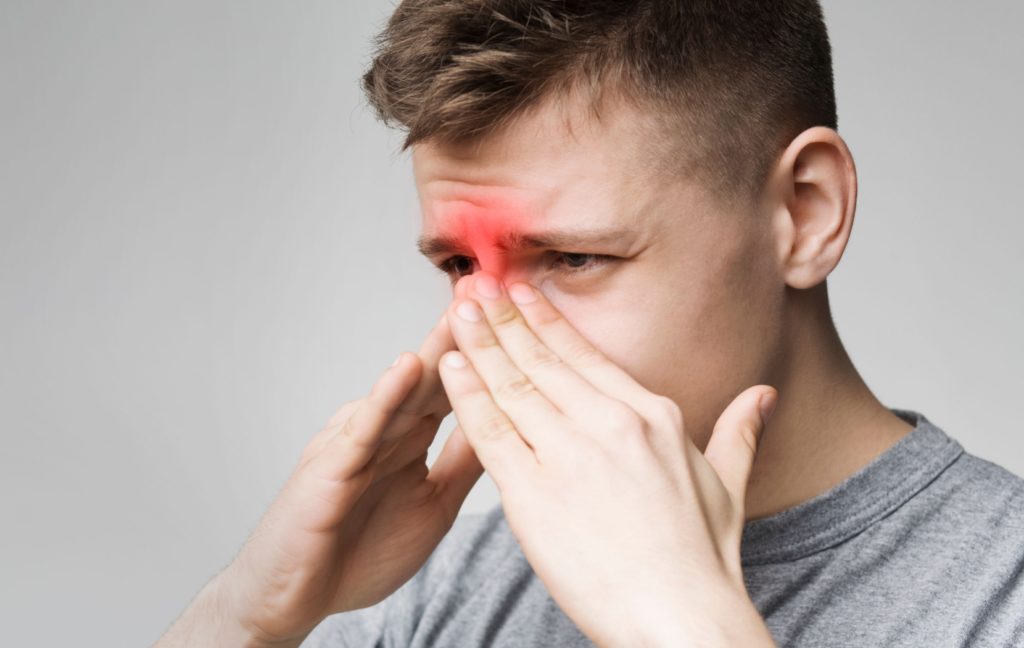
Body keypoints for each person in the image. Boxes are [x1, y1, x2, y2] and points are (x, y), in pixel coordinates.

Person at [156, 1, 1024, 646]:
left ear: (805, 212)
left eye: (573, 259)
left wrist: (687, 628)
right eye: (459, 267)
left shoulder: (1000, 596)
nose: (482, 338)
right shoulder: (449, 585)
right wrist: (249, 614)